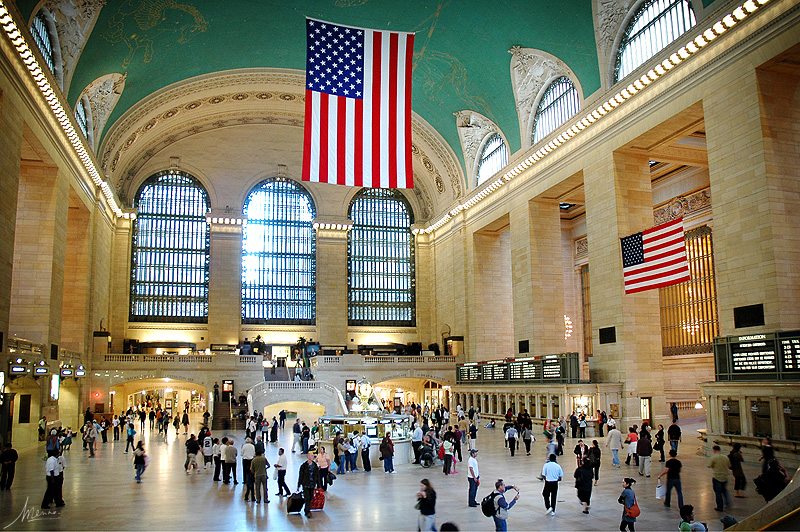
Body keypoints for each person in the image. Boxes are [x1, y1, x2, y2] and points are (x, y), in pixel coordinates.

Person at [707, 445, 731, 512]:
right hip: (725, 477)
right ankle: (728, 503)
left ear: (714, 450)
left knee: (718, 493)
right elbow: (729, 466)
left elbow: (709, 466)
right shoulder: (725, 457)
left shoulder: (713, 457)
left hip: (717, 477)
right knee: (724, 491)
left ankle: (720, 507)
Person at [297, 452, 320, 518]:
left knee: (311, 497)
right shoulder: (304, 466)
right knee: (307, 498)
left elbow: (317, 475)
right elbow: (301, 476)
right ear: (308, 457)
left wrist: (319, 485)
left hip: (312, 484)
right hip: (306, 484)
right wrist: (298, 485)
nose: (313, 457)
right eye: (311, 456)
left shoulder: (315, 466)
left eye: (313, 456)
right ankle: (307, 511)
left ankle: (307, 508)